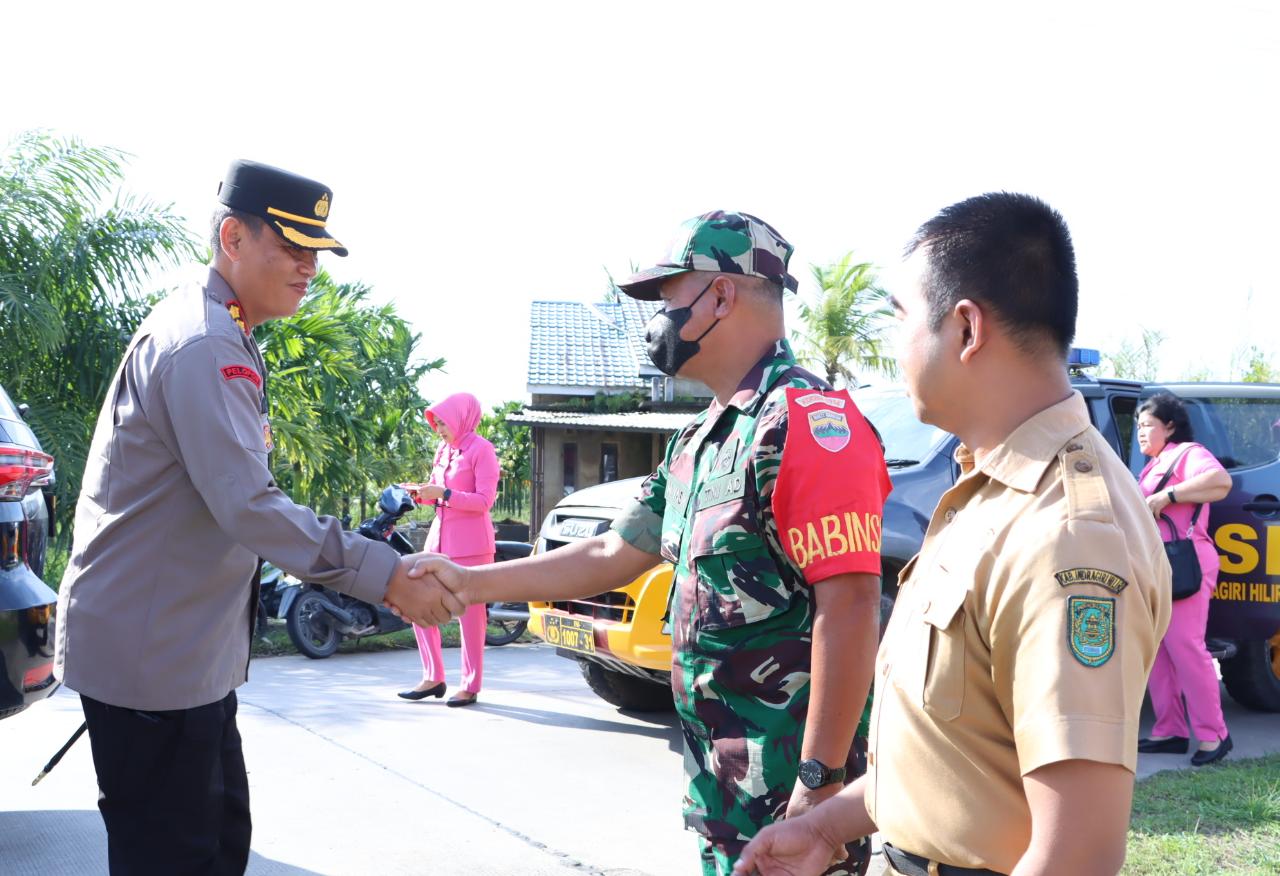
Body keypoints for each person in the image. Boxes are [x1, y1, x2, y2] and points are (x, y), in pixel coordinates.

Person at [409, 211, 890, 875]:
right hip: (720, 787)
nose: (656, 320)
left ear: (722, 295)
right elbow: (609, 555)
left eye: (668, 298)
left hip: (792, 800)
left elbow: (854, 605)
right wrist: (470, 582)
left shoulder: (805, 424)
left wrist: (820, 780)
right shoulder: (698, 442)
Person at [734, 193, 1172, 876]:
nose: (894, 345)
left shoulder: (1068, 534)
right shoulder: (986, 491)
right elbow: (960, 753)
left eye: (902, 317)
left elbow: (1076, 854)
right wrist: (828, 826)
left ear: (966, 329)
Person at [54, 160, 460, 875]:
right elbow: (249, 506)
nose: (309, 268)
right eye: (294, 247)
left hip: (176, 655)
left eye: (317, 253)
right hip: (157, 662)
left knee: (213, 846)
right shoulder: (207, 345)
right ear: (233, 237)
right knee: (179, 858)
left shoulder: (216, 331)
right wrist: (387, 574)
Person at [1135, 392, 1233, 765]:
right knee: (1159, 650)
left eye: (1148, 425)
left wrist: (1169, 495)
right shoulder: (1153, 463)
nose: (1142, 433)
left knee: (1185, 648)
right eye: (1139, 426)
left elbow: (1220, 482)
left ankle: (1214, 736)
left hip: (1186, 563)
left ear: (1169, 426)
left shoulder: (1187, 453)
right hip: (1159, 564)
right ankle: (1170, 730)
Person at [399, 392, 500, 707]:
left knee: (471, 618)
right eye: (437, 424)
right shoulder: (443, 450)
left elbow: (484, 501)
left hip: (472, 545)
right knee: (415, 598)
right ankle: (433, 676)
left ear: (460, 419)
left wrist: (443, 492)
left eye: (443, 423)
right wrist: (420, 493)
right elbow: (437, 493)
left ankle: (470, 686)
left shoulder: (482, 451)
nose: (439, 429)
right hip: (438, 541)